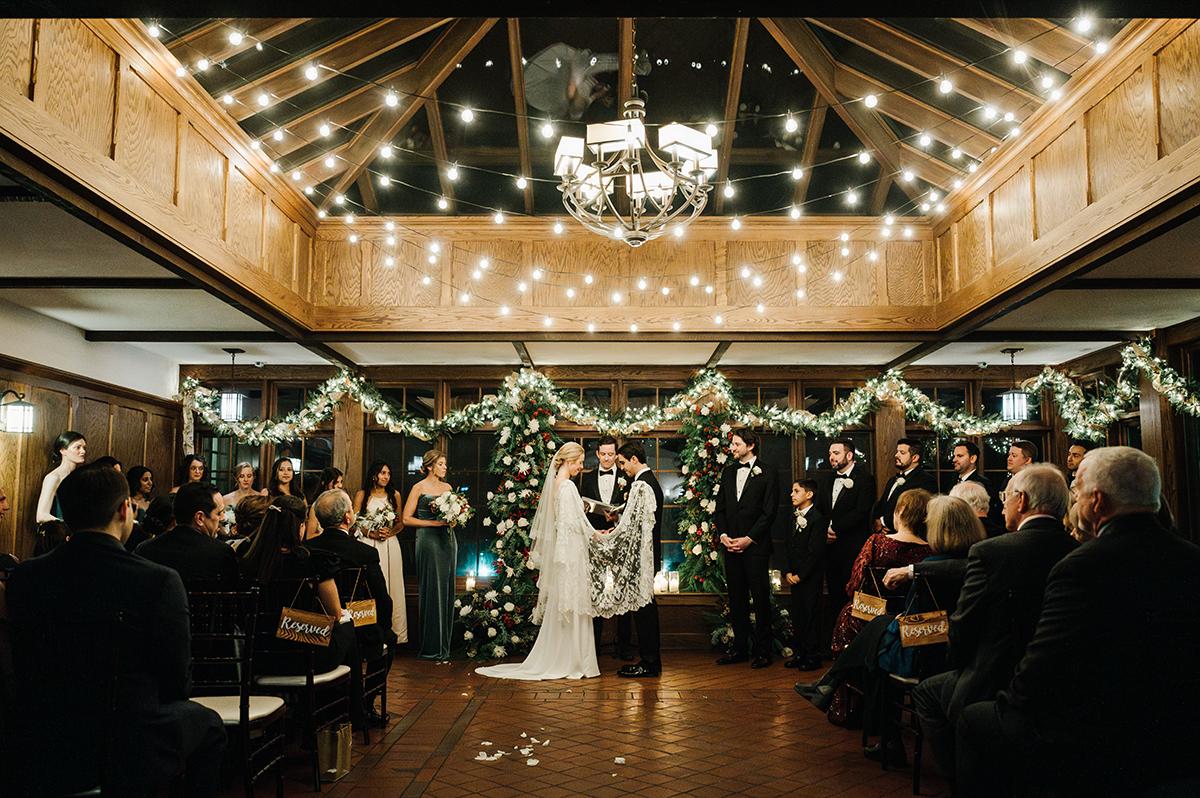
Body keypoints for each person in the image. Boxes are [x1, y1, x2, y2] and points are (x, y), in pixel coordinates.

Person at [957, 447, 1200, 796]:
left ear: (1097, 501)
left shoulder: (1082, 566)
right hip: (1180, 725)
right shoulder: (1192, 557)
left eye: (1078, 492)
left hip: (1098, 726)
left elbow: (1044, 664)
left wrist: (1009, 705)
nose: (1074, 502)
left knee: (974, 720)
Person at [7, 465, 226, 796]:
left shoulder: (25, 576)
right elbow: (176, 679)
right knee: (210, 727)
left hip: (41, 733)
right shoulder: (158, 579)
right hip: (126, 737)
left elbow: (21, 660)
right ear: (125, 509)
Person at [910, 463, 1075, 783]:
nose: (1003, 503)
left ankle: (961, 778)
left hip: (991, 677)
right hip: (1058, 681)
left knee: (927, 695)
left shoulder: (991, 551)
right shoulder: (1077, 550)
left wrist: (960, 667)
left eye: (1006, 495)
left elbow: (963, 625)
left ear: (1022, 500)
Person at [475, 442, 657, 681]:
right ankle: (574, 660)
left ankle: (562, 655)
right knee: (575, 601)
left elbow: (568, 522)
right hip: (573, 551)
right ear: (568, 462)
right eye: (579, 462)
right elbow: (575, 523)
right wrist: (597, 534)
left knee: (566, 601)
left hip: (566, 550)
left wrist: (591, 531)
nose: (581, 467)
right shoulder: (568, 486)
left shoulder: (556, 487)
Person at [239, 495, 367, 730]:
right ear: (299, 527)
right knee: (347, 627)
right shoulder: (310, 560)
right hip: (303, 648)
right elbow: (335, 614)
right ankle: (350, 716)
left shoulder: (247, 559)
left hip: (259, 653)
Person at [826, 488, 931, 726]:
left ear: (900, 512)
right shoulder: (930, 550)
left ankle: (852, 709)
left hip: (869, 618)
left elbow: (853, 585)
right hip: (909, 624)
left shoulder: (876, 542)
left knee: (846, 616)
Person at [307, 489, 394, 725]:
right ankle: (365, 702)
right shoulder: (365, 552)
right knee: (389, 638)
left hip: (319, 624)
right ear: (347, 518)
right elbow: (382, 598)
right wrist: (383, 627)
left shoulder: (308, 549)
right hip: (359, 622)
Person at [714, 428, 779, 669]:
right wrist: (723, 535)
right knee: (736, 599)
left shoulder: (768, 472)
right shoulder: (728, 472)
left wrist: (749, 538)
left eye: (737, 444)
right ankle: (740, 648)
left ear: (750, 446)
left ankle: (763, 651)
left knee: (761, 599)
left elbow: (769, 511)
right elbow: (719, 508)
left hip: (756, 547)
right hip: (730, 546)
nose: (732, 448)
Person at [614, 441, 665, 678]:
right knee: (645, 608)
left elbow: (636, 527)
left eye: (623, 463)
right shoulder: (648, 481)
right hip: (647, 554)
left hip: (643, 556)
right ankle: (650, 660)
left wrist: (613, 530)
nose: (622, 468)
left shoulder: (642, 485)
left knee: (645, 610)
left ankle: (650, 662)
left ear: (634, 459)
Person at [818, 438, 876, 646]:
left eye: (836, 453)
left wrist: (836, 528)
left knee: (853, 595)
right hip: (830, 547)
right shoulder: (826, 480)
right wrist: (824, 529)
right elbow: (821, 510)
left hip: (852, 548)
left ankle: (856, 643)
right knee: (834, 593)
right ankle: (835, 642)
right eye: (830, 453)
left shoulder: (864, 479)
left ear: (849, 455)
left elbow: (861, 511)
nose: (831, 457)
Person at [580, 435, 633, 660]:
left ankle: (624, 648)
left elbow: (631, 510)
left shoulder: (626, 477)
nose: (608, 458)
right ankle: (593, 648)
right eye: (604, 454)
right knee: (594, 593)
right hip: (594, 541)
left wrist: (617, 519)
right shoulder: (586, 479)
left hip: (619, 541)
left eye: (612, 454)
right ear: (598, 454)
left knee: (623, 591)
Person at [401, 452, 456, 662]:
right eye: (441, 464)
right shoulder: (419, 487)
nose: (445, 468)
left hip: (447, 540)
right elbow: (406, 519)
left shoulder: (448, 488)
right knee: (431, 588)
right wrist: (433, 523)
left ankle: (444, 646)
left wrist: (454, 518)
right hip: (428, 540)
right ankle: (430, 647)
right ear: (430, 466)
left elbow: (452, 516)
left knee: (446, 589)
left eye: (445, 464)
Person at [136, 482, 238, 586]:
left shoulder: (144, 549)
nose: (223, 518)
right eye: (219, 513)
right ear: (199, 518)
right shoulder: (222, 553)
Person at [354, 460, 408, 646]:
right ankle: (369, 637)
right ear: (373, 475)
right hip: (369, 544)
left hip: (389, 545)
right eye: (382, 473)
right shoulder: (362, 495)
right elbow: (354, 522)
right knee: (370, 588)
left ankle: (394, 635)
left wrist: (390, 532)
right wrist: (371, 533)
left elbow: (401, 523)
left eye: (388, 473)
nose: (385, 476)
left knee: (391, 586)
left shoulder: (395, 495)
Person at [784, 479, 827, 671]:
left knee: (811, 615)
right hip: (794, 576)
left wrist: (801, 574)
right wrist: (788, 572)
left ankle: (812, 656)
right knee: (798, 615)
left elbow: (815, 552)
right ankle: (799, 653)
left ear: (809, 494)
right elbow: (788, 547)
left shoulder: (817, 519)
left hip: (810, 577)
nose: (792, 495)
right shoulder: (793, 517)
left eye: (796, 491)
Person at [873, 437, 936, 532]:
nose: (896, 455)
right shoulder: (892, 480)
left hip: (907, 537)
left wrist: (883, 522)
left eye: (902, 453)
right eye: (897, 452)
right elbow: (883, 505)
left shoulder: (926, 481)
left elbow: (916, 512)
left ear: (915, 458)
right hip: (884, 535)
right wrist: (877, 522)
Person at [35, 430, 86, 522]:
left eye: (84, 447)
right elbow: (41, 515)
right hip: (63, 532)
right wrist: (66, 526)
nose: (83, 451)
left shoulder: (81, 476)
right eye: (78, 447)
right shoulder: (53, 477)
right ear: (63, 450)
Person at [950, 440, 1002, 526]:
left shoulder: (982, 484)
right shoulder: (952, 481)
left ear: (973, 458)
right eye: (954, 456)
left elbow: (988, 516)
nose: (954, 459)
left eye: (959, 456)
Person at [304, 467, 344, 538]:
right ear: (324, 483)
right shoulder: (316, 506)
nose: (340, 486)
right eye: (336, 482)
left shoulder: (343, 504)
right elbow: (309, 536)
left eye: (341, 482)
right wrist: (331, 535)